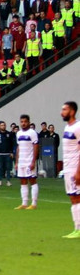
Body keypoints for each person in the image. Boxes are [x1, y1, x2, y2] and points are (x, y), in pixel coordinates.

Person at [59, 101, 80, 238]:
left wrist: (78, 171)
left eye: (65, 110)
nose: (62, 112)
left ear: (72, 111)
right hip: (68, 168)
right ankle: (76, 228)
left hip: (75, 168)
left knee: (77, 198)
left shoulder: (78, 127)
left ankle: (78, 229)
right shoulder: (67, 127)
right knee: (73, 198)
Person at [15, 114, 39, 210]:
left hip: (29, 161)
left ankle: (34, 203)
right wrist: (17, 162)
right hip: (21, 161)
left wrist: (33, 161)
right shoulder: (18, 133)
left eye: (25, 122)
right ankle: (24, 203)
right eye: (22, 122)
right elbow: (18, 148)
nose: (23, 123)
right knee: (23, 181)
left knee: (32, 181)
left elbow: (36, 146)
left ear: (29, 122)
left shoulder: (32, 133)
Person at [0, 121, 15, 186]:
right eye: (2, 125)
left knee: (8, 168)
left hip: (7, 153)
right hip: (0, 153)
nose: (3, 126)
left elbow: (11, 144)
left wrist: (11, 152)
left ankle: (8, 181)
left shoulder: (9, 134)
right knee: (0, 167)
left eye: (4, 125)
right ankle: (0, 180)